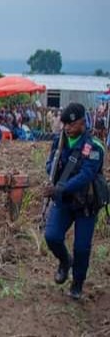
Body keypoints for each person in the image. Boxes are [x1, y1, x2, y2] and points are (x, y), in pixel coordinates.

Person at [43, 103, 105, 300]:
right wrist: (51, 171)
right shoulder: (59, 141)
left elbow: (86, 175)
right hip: (64, 202)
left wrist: (60, 187)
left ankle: (77, 284)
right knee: (52, 236)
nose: (68, 128)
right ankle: (64, 261)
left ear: (82, 123)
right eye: (65, 125)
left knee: (82, 248)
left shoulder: (94, 147)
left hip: (86, 203)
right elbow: (50, 164)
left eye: (72, 125)